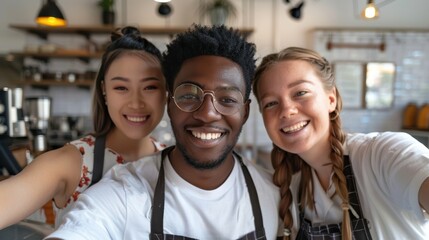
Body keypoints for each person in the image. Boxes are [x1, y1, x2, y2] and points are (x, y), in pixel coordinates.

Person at [45, 24, 283, 240]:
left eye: (228, 99)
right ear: (170, 103)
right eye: (189, 95)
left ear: (245, 111)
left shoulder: (275, 195)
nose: (208, 113)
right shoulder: (126, 193)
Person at [252, 46, 429, 239]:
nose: (286, 110)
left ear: (331, 99)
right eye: (270, 103)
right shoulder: (292, 189)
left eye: (300, 93)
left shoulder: (382, 154)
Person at [0, 26, 167, 229]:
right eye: (121, 88)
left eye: (150, 87)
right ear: (104, 90)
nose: (136, 103)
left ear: (166, 91)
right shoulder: (71, 162)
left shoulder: (173, 163)